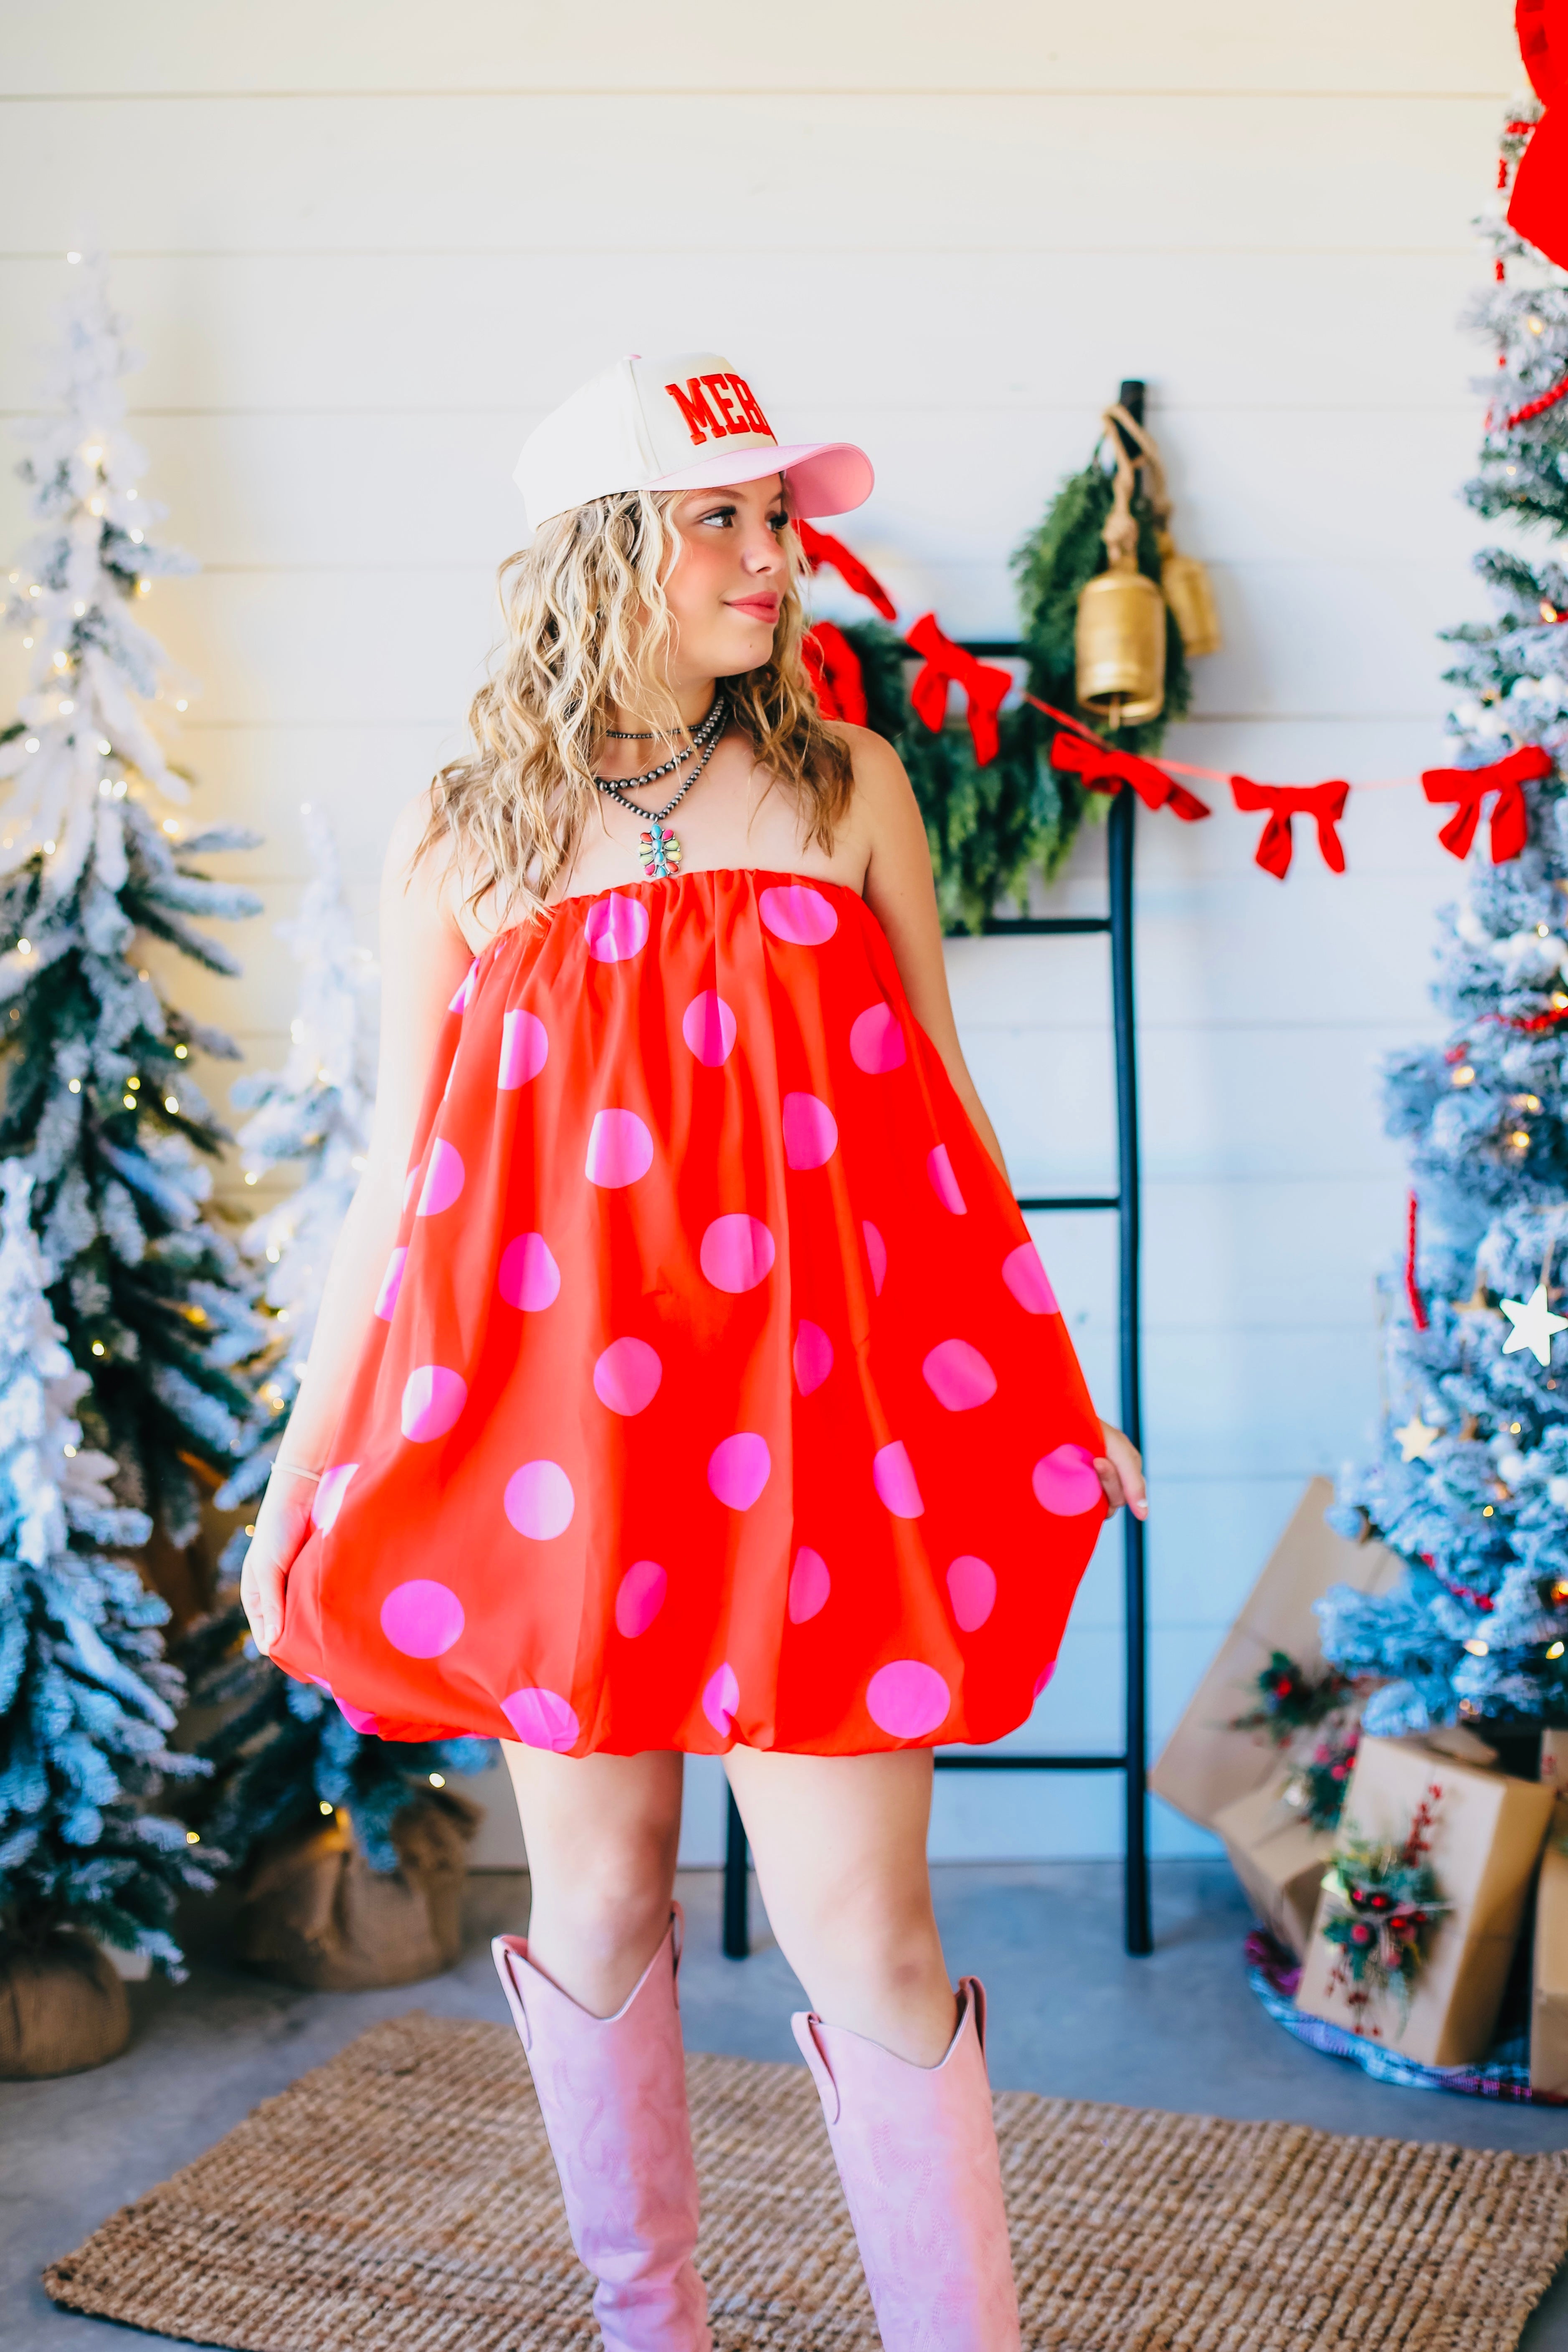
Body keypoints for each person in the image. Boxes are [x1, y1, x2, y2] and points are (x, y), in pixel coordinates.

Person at [243, 350, 1147, 2352]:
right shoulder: (463, 834)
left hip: (818, 1442)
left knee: (872, 1933)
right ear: (600, 554)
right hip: (555, 1448)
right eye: (721, 515)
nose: (774, 552)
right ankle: (652, 2326)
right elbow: (394, 1190)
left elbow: (951, 1123)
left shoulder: (848, 788)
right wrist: (306, 1466)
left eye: (776, 514)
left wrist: (1060, 1380)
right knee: (601, 1900)